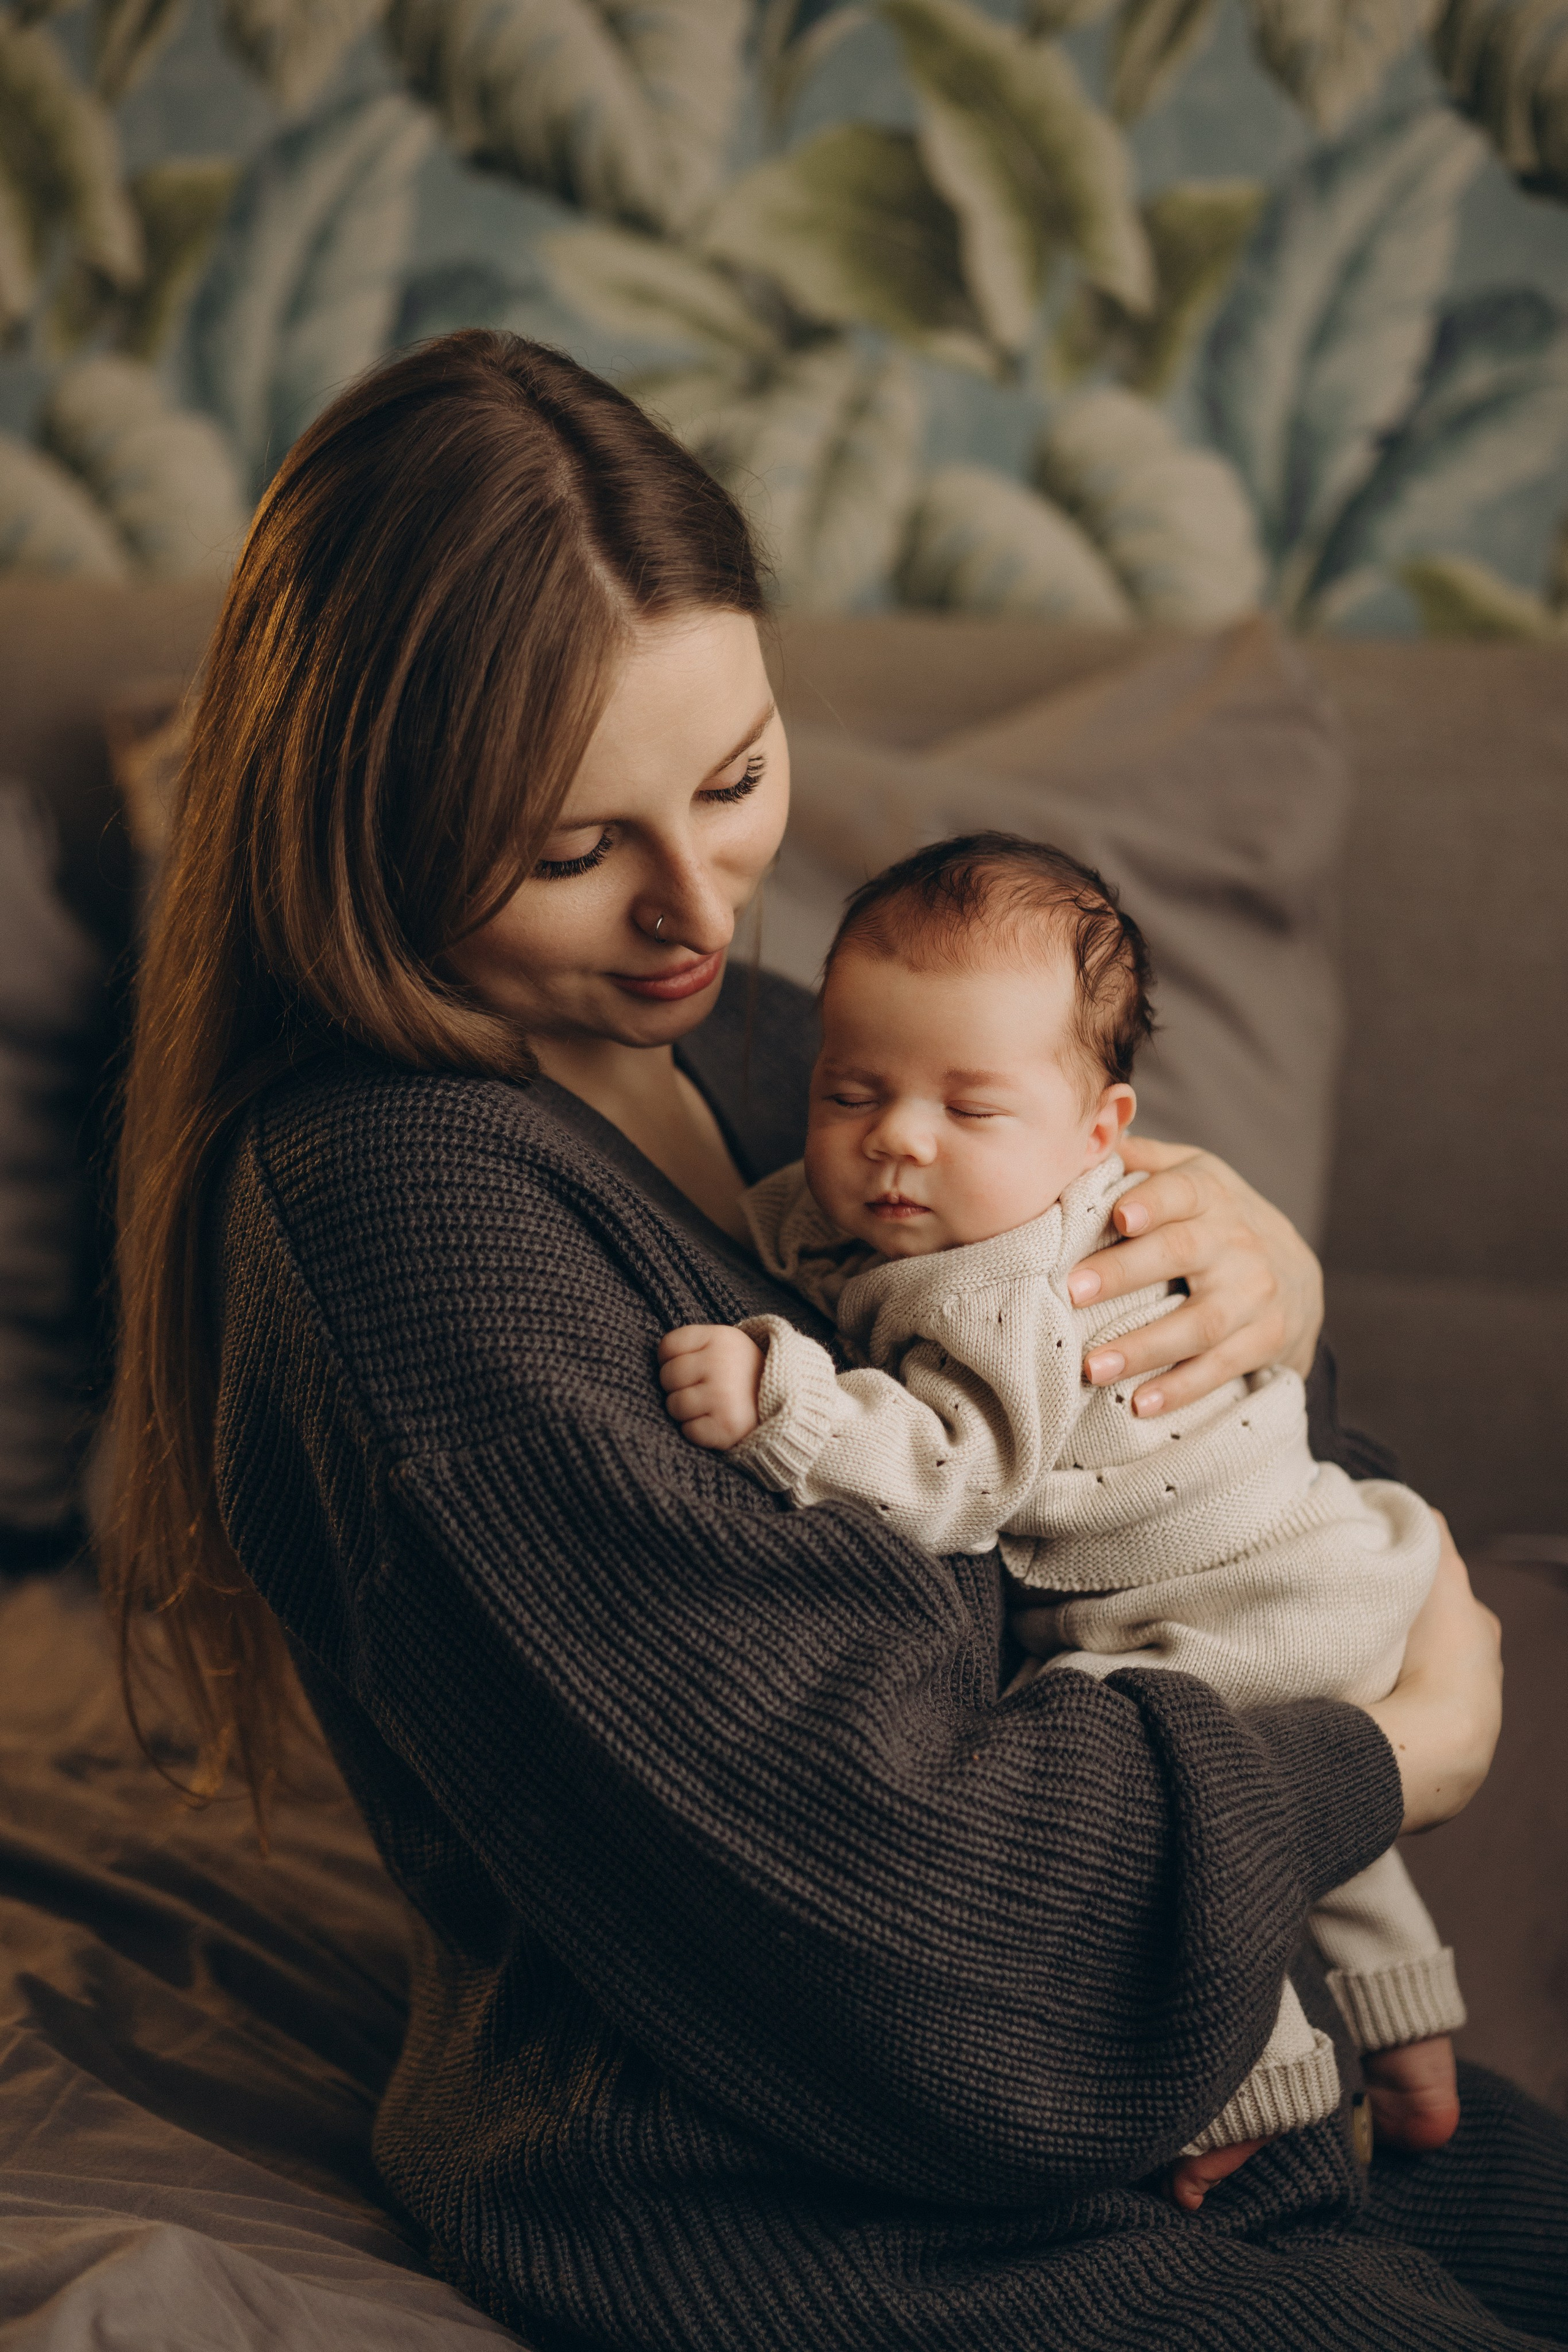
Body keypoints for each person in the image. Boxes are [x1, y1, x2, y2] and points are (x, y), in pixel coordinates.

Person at [104, 331, 1553, 2351]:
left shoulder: (794, 1061)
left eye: (734, 777)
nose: (700, 910)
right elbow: (924, 1949)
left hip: (1223, 2054)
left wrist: (1265, 1302)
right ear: (362, 824)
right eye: (569, 848)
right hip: (815, 2197)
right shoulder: (397, 1214)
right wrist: (1387, 1758)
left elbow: (1226, 1504)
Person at [657, 831, 1464, 2206]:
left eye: (968, 1113)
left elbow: (954, 1478)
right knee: (1342, 1852)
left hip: (1228, 1609)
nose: (896, 1142)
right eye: (851, 1092)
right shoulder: (988, 1198)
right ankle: (1411, 2034)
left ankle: (1251, 2082)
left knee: (1133, 1781)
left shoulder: (998, 1290)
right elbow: (808, 1226)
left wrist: (779, 1396)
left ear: (1103, 1131)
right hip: (1328, 1560)